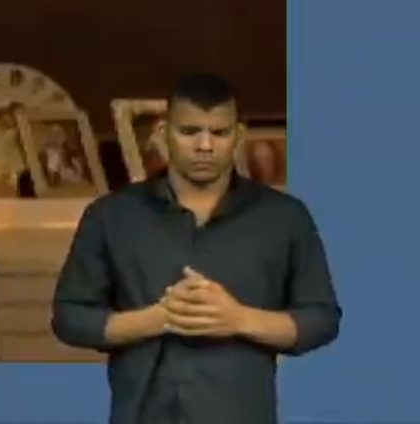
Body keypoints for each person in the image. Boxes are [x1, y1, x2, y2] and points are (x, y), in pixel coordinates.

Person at [52, 74, 339, 424]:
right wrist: (157, 319)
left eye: (219, 132)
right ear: (162, 133)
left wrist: (238, 318)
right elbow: (69, 318)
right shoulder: (111, 215)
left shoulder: (285, 217)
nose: (205, 145)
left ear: (239, 135)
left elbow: (321, 319)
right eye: (189, 131)